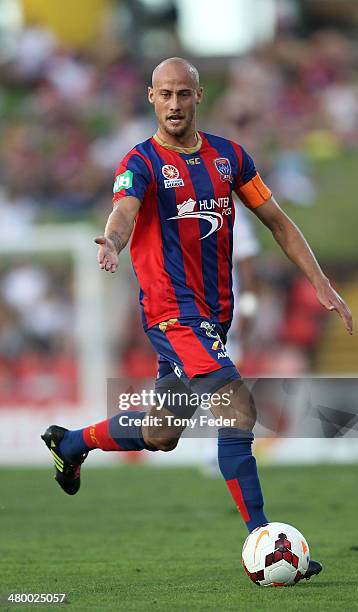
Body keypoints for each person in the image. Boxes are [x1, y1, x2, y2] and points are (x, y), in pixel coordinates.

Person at [42, 57, 352, 581]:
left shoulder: (229, 158)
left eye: (183, 94)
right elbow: (123, 209)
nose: (174, 104)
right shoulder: (139, 162)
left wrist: (320, 281)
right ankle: (263, 538)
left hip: (213, 315)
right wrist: (113, 242)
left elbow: (276, 220)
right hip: (172, 314)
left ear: (198, 97)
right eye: (165, 94)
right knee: (237, 405)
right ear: (150, 97)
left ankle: (70, 443)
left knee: (163, 432)